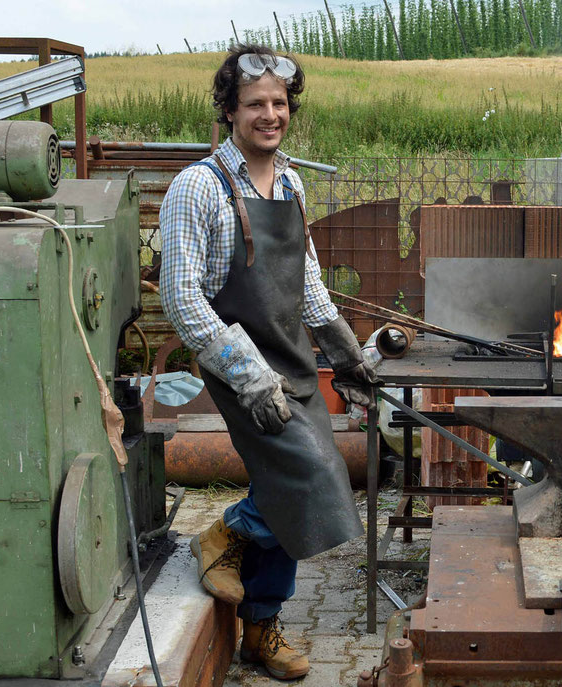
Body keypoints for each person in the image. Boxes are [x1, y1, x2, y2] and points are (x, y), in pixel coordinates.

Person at [159, 45, 380, 680]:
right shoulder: (197, 187)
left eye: (279, 103)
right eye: (255, 103)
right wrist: (247, 373)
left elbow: (306, 281)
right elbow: (181, 296)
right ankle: (223, 534)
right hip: (237, 364)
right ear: (229, 110)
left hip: (292, 357)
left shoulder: (289, 182)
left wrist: (344, 349)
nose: (270, 114)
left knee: (285, 489)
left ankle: (261, 629)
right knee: (313, 478)